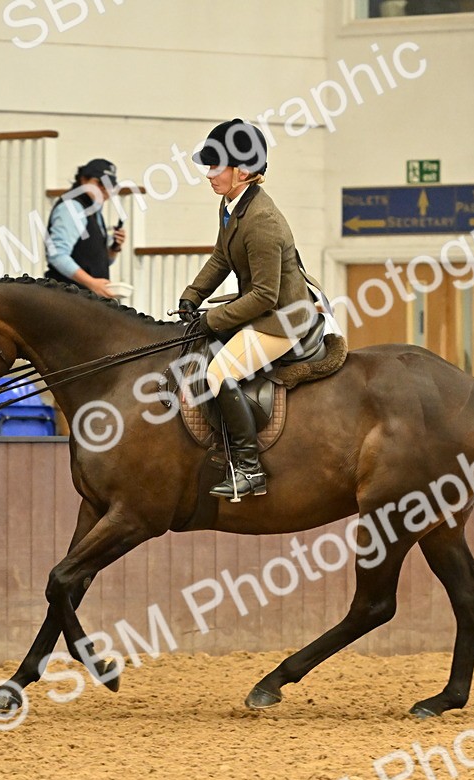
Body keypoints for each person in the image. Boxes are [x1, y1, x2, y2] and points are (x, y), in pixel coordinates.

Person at [178, 119, 316, 501]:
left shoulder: (263, 222)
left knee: (220, 372)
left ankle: (248, 468)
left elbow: (264, 297)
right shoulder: (232, 205)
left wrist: (212, 318)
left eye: (216, 166)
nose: (209, 174)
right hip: (262, 311)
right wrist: (192, 294)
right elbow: (222, 257)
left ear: (245, 170)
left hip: (282, 321)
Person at [45, 158, 126, 298]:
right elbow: (57, 255)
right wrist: (92, 283)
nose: (105, 190)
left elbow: (98, 261)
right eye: (100, 183)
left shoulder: (94, 210)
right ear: (83, 180)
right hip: (67, 297)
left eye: (110, 185)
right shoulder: (72, 208)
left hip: (85, 298)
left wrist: (114, 249)